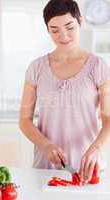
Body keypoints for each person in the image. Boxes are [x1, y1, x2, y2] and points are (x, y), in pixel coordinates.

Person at [19, 0, 110, 183]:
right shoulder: (36, 68)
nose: (63, 35)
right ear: (48, 30)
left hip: (87, 170)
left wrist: (96, 148)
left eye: (69, 27)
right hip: (46, 168)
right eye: (54, 30)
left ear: (80, 21)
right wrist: (45, 145)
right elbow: (24, 121)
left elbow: (108, 118)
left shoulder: (98, 67)